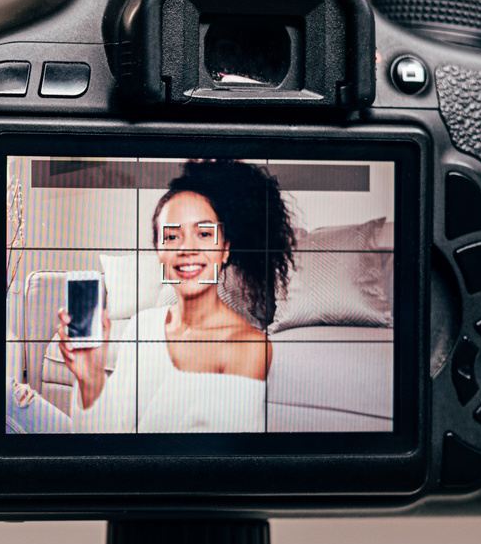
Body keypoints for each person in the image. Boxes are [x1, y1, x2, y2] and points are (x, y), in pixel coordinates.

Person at [47, 159, 296, 433]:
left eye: (203, 233)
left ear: (225, 249)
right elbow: (106, 439)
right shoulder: (141, 326)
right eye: (172, 236)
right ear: (159, 250)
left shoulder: (249, 347)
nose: (186, 248)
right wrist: (90, 379)